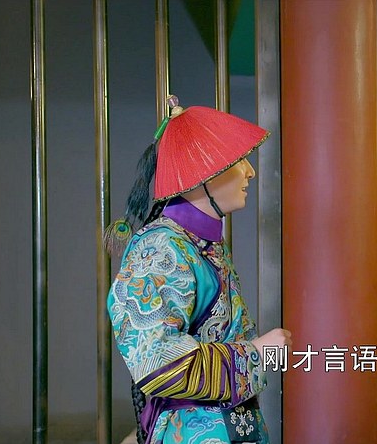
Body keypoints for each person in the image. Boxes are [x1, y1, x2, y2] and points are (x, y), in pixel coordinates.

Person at [106, 96, 292, 444]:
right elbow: (155, 360)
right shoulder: (161, 249)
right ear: (200, 176)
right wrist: (254, 353)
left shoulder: (198, 243)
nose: (250, 171)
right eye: (237, 162)